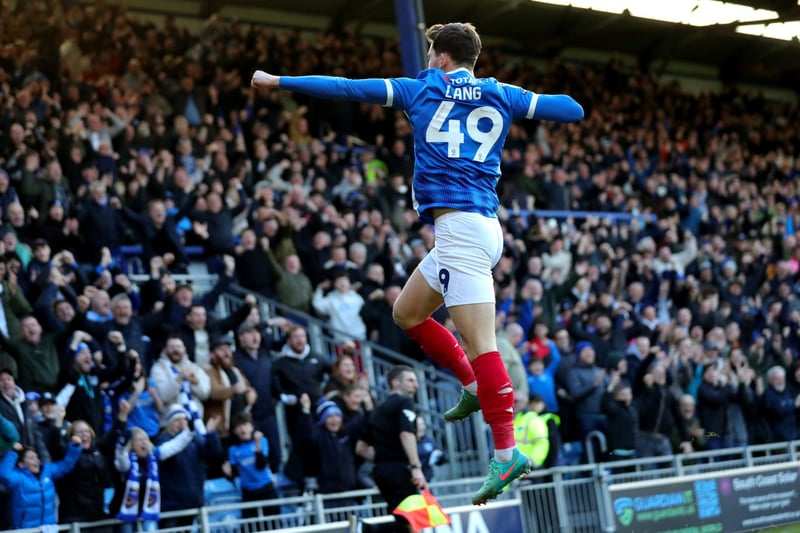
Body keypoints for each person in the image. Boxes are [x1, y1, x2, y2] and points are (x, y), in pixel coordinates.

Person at [252, 21, 583, 504]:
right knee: (407, 313)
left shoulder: (421, 89)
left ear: (444, 57)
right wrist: (515, 96)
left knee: (484, 346)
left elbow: (345, 88)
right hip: (483, 229)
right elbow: (571, 109)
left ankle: (507, 452)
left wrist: (280, 81)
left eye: (431, 52)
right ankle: (471, 385)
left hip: (459, 234)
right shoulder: (499, 93)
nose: (427, 59)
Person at [355, 365, 427, 532]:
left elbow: (360, 448)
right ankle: (366, 529)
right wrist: (416, 467)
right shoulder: (405, 402)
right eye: (410, 380)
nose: (415, 385)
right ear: (395, 383)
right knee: (413, 522)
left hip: (381, 471)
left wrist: (383, 456)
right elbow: (406, 434)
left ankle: (367, 529)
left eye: (416, 381)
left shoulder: (378, 409)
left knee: (404, 522)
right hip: (400, 471)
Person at [0, 433, 82, 529]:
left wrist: (75, 447)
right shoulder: (18, 477)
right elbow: (4, 475)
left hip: (48, 528)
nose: (37, 461)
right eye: (31, 458)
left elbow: (65, 465)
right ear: (22, 464)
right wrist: (13, 453)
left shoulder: (47, 470)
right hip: (26, 530)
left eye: (37, 457)